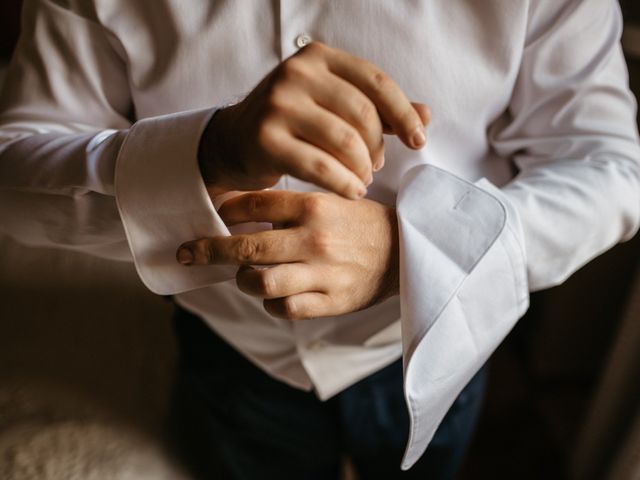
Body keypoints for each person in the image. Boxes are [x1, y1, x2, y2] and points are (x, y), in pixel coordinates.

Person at [0, 1, 638, 478]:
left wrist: (412, 249)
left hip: (440, 335)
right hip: (231, 352)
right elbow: (14, 176)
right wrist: (208, 152)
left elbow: (611, 168)